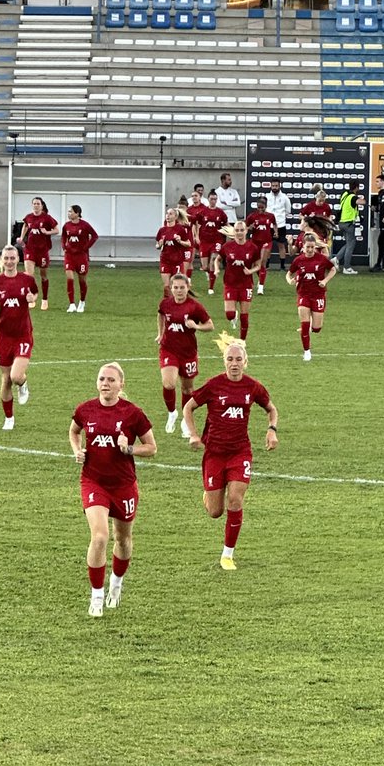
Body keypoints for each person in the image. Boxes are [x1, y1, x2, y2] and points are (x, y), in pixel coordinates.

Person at [69, 362, 157, 617]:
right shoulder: (85, 410)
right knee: (99, 537)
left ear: (121, 384)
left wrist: (129, 448)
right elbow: (74, 431)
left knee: (123, 539)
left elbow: (151, 447)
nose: (105, 383)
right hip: (94, 482)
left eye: (110, 379)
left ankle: (116, 584)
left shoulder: (132, 414)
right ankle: (96, 595)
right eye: (101, 379)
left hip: (124, 485)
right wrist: (77, 451)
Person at [182, 340, 278, 571]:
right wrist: (193, 434)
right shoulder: (214, 385)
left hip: (240, 452)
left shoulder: (253, 387)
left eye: (238, 359)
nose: (234, 364)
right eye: (229, 359)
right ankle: (209, 494)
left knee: (235, 499)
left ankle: (227, 555)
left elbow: (271, 409)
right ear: (224, 361)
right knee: (216, 512)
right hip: (214, 453)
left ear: (245, 362)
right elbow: (188, 407)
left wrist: (272, 430)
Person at [0, 243, 38, 430]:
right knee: (5, 380)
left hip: (23, 335)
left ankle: (23, 383)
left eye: (13, 258)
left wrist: (32, 300)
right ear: (2, 260)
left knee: (15, 375)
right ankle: (9, 418)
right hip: (4, 337)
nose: (10, 261)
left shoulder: (27, 280)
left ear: (18, 260)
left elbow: (34, 294)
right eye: (6, 258)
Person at [156, 272, 214, 434]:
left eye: (182, 287)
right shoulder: (165, 304)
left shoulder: (194, 306)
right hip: (169, 349)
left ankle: (185, 420)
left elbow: (210, 325)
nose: (179, 291)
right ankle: (172, 413)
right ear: (171, 288)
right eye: (176, 287)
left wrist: (196, 327)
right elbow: (160, 315)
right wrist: (160, 334)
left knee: (188, 389)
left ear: (188, 288)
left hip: (188, 353)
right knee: (169, 383)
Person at [287, 227, 336, 361]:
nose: (310, 249)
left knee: (317, 328)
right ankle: (307, 351)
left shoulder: (321, 259)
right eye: (308, 247)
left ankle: (310, 328)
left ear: (315, 247)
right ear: (303, 246)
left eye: (312, 247)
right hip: (303, 295)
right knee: (304, 324)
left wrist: (325, 281)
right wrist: (290, 280)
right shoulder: (298, 260)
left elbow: (333, 269)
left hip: (318, 295)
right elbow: (289, 273)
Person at [215, 220, 259, 341]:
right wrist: (216, 269)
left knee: (245, 316)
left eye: (241, 230)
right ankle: (234, 316)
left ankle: (242, 341)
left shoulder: (252, 248)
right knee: (229, 315)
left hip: (246, 285)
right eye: (237, 230)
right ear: (234, 232)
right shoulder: (227, 247)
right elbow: (217, 259)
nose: (239, 233)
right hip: (230, 284)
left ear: (246, 231)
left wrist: (250, 271)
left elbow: (258, 265)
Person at [17, 196, 57, 310]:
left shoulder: (47, 218)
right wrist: (21, 237)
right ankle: (32, 297)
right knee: (29, 275)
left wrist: (47, 232)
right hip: (30, 250)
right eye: (34, 203)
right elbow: (25, 225)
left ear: (42, 205)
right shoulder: (29, 217)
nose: (35, 205)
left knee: (43, 276)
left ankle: (45, 299)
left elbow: (57, 230)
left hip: (43, 251)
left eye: (38, 204)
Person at [61, 204, 99, 313]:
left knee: (82, 280)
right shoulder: (66, 226)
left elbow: (95, 236)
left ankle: (82, 302)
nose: (69, 214)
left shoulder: (85, 225)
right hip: (69, 256)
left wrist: (86, 247)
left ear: (77, 213)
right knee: (69, 278)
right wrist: (64, 246)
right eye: (68, 212)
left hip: (81, 256)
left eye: (70, 212)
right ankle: (72, 304)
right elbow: (64, 236)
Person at [196, 192, 229, 295]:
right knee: (205, 266)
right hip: (205, 241)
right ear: (208, 199)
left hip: (217, 240)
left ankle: (211, 287)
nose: (213, 201)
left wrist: (230, 233)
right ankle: (209, 273)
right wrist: (196, 236)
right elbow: (197, 224)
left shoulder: (220, 213)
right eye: (211, 199)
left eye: (215, 199)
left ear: (217, 200)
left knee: (213, 261)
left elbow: (226, 224)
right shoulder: (203, 212)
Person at [155, 207, 193, 296]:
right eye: (167, 213)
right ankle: (167, 305)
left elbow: (188, 243)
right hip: (165, 261)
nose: (167, 216)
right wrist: (159, 245)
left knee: (176, 285)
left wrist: (180, 241)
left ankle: (180, 303)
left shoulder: (180, 229)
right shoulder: (162, 230)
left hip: (177, 262)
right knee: (166, 286)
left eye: (170, 214)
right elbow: (157, 245)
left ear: (175, 217)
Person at [326, 181, 360, 275]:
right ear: (357, 187)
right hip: (348, 223)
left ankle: (336, 258)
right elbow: (359, 202)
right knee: (351, 244)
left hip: (341, 222)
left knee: (349, 243)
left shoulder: (344, 194)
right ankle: (347, 267)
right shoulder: (353, 197)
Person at [245, 195, 277, 295]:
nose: (260, 210)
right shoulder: (252, 216)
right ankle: (260, 279)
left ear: (265, 206)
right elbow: (246, 227)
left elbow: (275, 224)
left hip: (266, 241)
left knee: (262, 262)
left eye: (262, 208)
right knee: (255, 264)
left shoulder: (270, 216)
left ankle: (261, 288)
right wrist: (250, 227)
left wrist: (275, 232)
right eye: (258, 207)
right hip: (255, 242)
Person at [266, 178, 293, 270]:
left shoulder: (284, 197)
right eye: (273, 186)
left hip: (281, 225)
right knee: (268, 246)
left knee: (281, 245)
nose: (274, 187)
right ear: (270, 186)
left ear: (279, 186)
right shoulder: (266, 197)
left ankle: (282, 266)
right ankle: (267, 265)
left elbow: (288, 211)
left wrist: (280, 218)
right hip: (269, 225)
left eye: (276, 186)